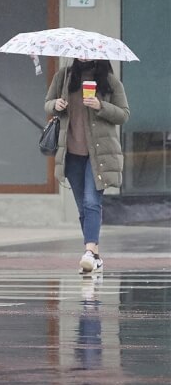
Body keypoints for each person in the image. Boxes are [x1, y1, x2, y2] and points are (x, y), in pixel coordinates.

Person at [44, 58, 129, 274]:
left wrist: (101, 106)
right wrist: (56, 105)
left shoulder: (109, 81)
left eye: (88, 53)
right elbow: (47, 102)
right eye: (79, 52)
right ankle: (95, 256)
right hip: (71, 153)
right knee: (83, 206)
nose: (83, 56)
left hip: (98, 155)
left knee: (92, 202)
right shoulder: (64, 76)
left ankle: (89, 252)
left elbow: (123, 114)